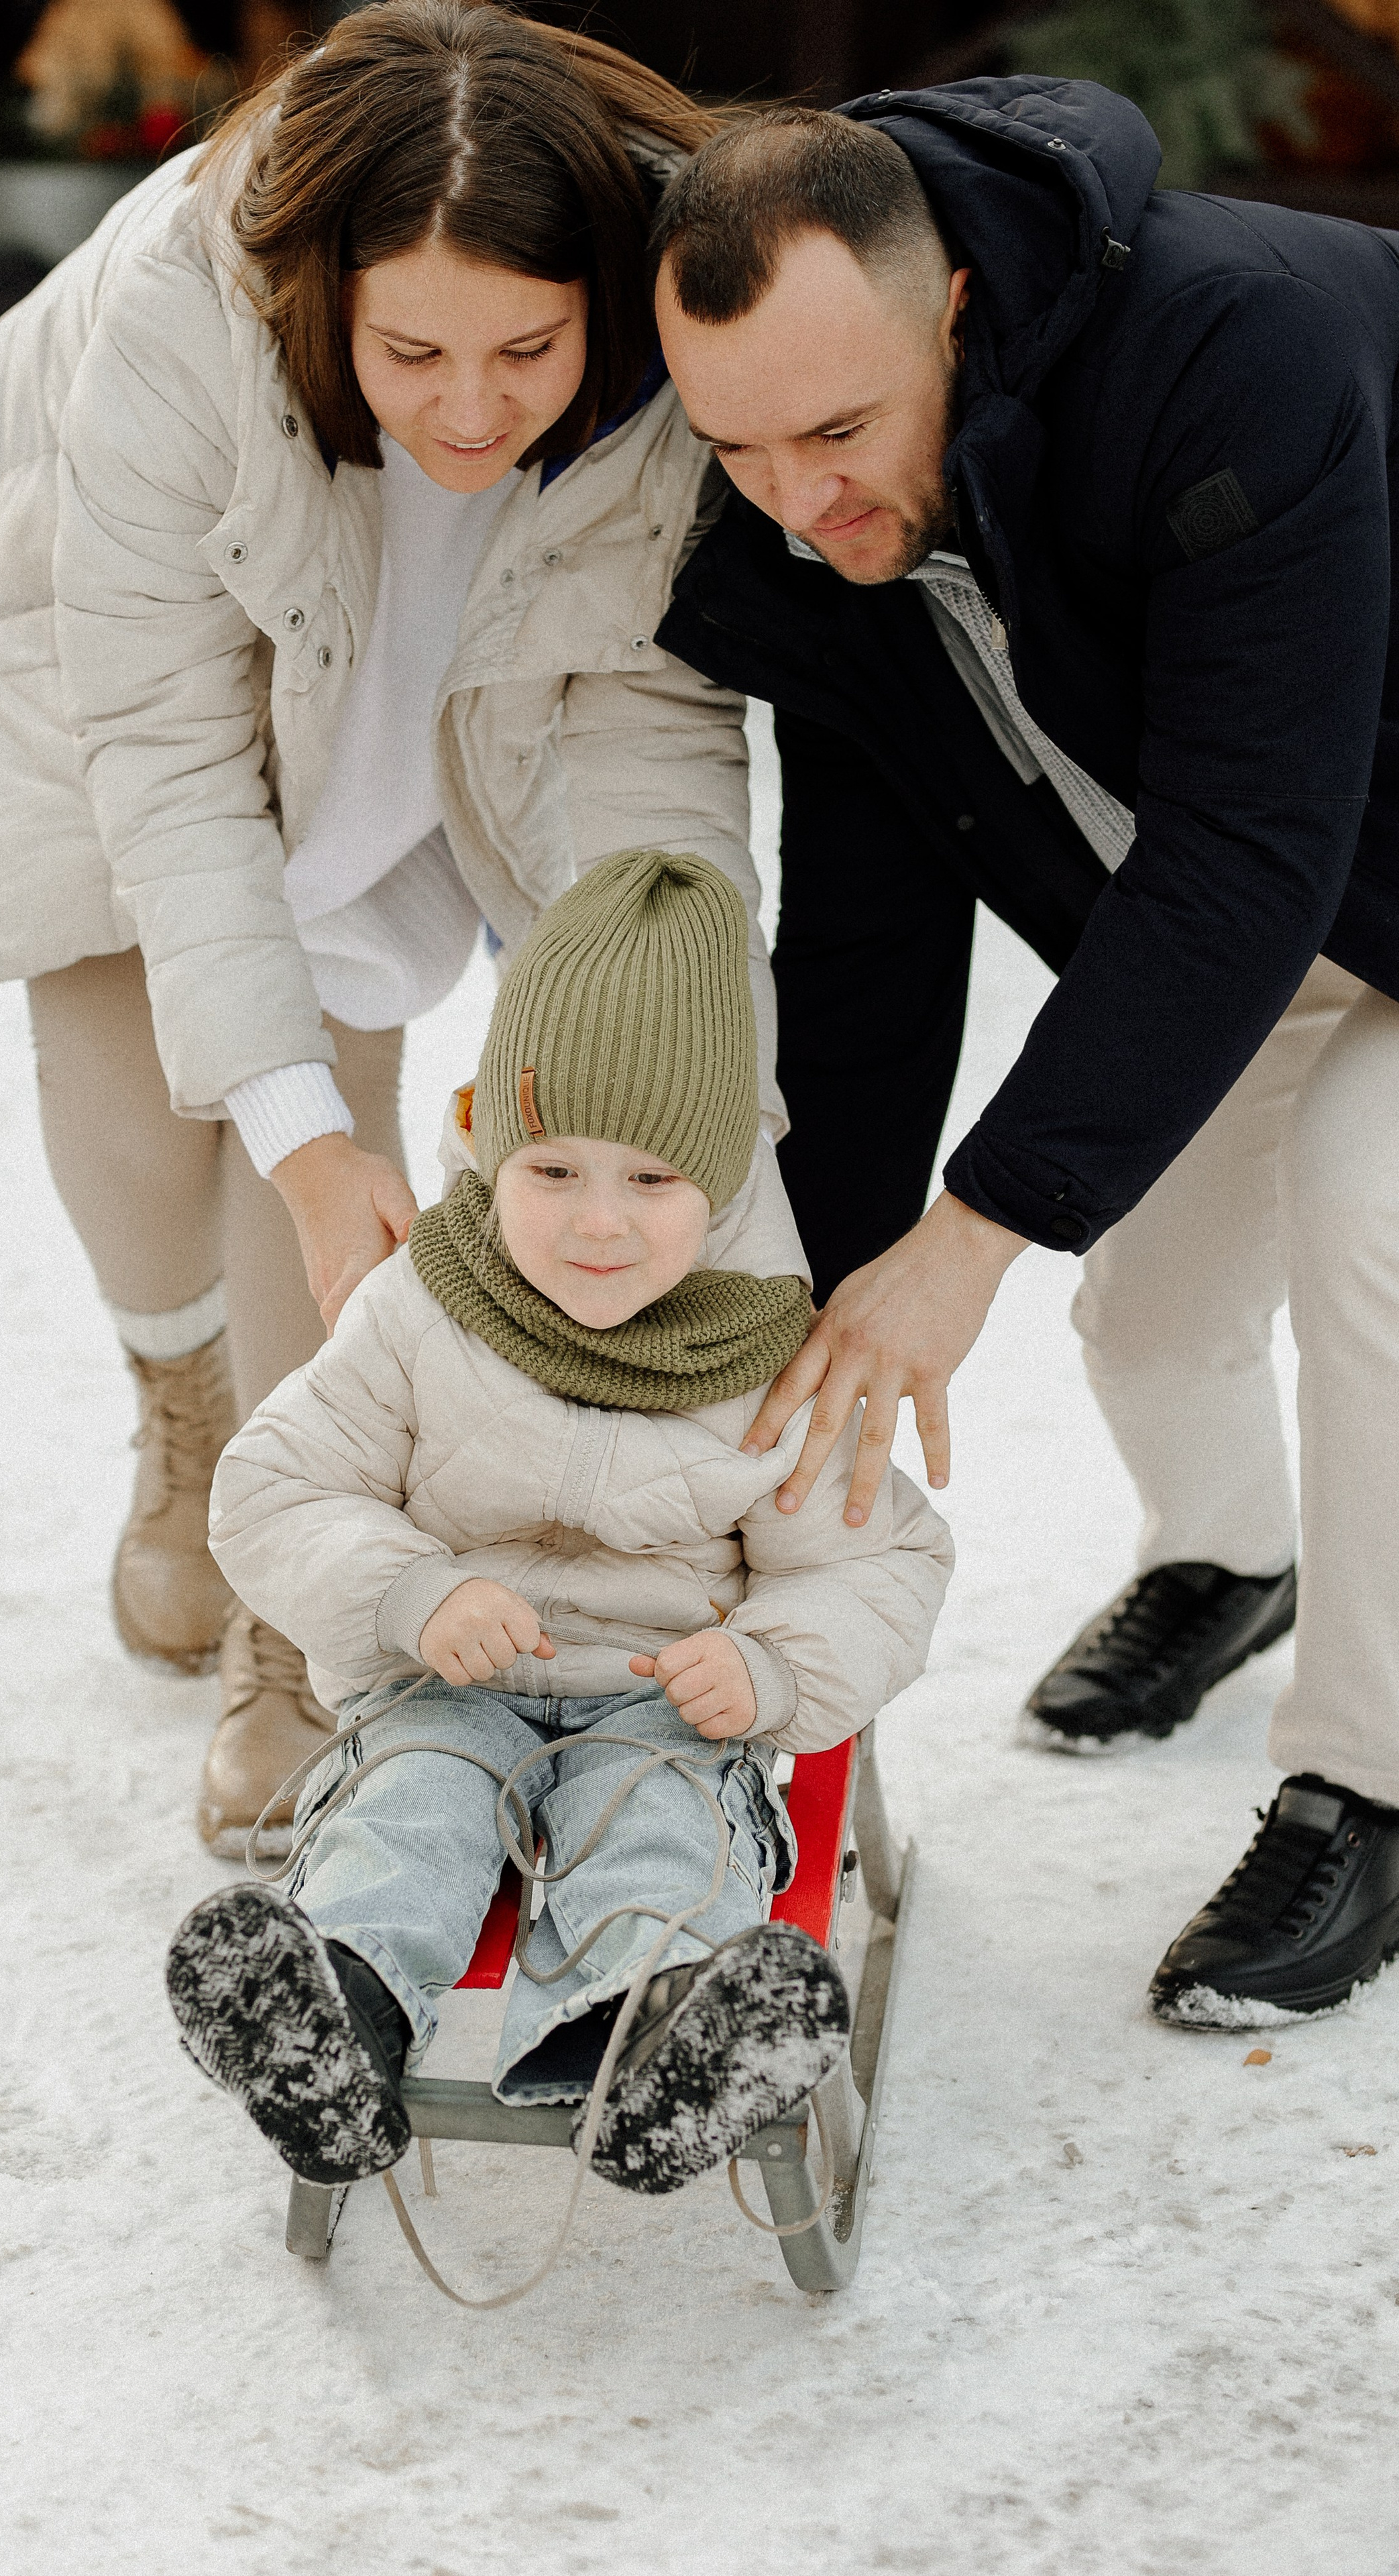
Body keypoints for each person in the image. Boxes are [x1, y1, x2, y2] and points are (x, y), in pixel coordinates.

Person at [0, 3, 781, 1854]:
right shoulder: (182, 323)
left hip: (423, 646)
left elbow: (655, 742)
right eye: (413, 351)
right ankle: (182, 1411)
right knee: (136, 1076)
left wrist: (695, 1086)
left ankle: (292, 1612)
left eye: (527, 349)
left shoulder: (663, 336)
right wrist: (298, 1147)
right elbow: (169, 761)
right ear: (325, 299)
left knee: (341, 1072)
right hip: (84, 608)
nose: (472, 407)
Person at [649, 85, 1399, 2029]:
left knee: (1368, 1211)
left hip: (1287, 858)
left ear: (958, 308)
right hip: (1270, 899)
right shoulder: (822, 532)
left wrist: (972, 1232)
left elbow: (1243, 846)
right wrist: (809, 1315)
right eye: (736, 448)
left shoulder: (1235, 354)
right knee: (1148, 1308)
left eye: (836, 433)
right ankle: (1231, 1563)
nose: (797, 503)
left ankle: (1367, 1780)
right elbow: (868, 949)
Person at [165, 849, 951, 2193]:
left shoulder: (771, 1362)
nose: (598, 1224)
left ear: (720, 1179)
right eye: (553, 1170)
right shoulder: (419, 1308)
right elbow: (278, 1485)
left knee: (658, 1837)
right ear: (483, 1139)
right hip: (439, 1685)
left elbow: (881, 1561)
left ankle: (653, 2045)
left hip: (659, 1708)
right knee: (409, 1814)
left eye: (651, 1181)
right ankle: (331, 2024)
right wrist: (409, 1591)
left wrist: (767, 1664)